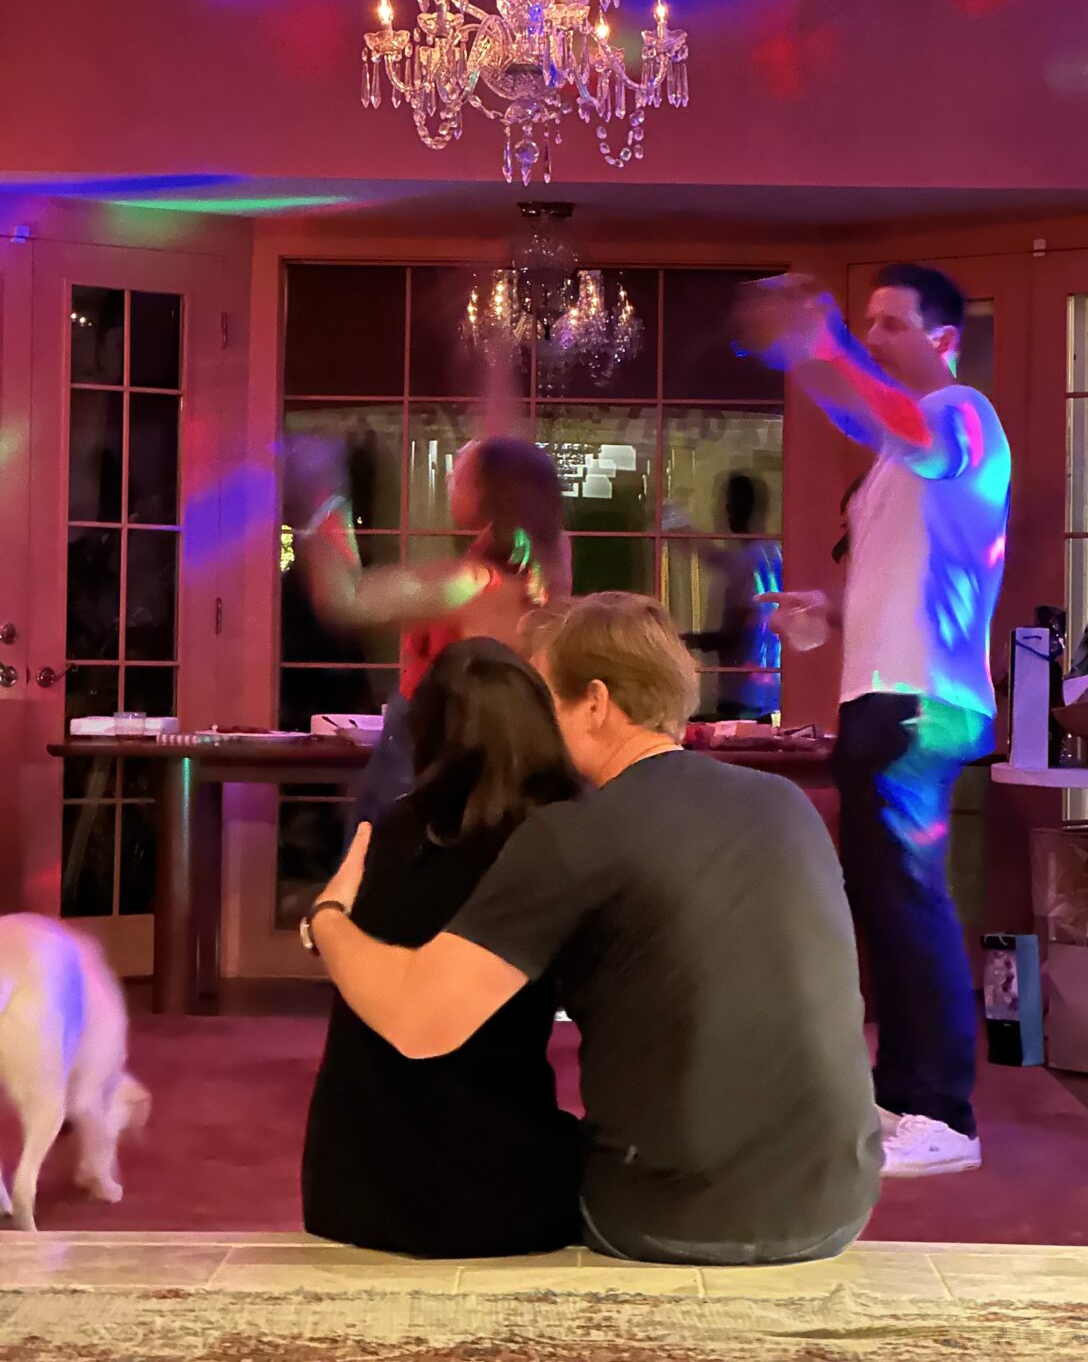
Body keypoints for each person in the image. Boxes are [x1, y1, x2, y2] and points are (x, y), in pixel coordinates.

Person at [306, 593, 881, 1266]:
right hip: (839, 1204)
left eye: (542, 694)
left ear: (597, 702)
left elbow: (417, 1019)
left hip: (669, 1217)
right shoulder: (787, 804)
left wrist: (330, 918)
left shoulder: (572, 835)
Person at [740, 263, 1010, 1179]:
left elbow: (885, 412)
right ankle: (903, 1099)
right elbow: (900, 586)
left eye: (892, 325)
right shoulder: (899, 461)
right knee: (885, 904)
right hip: (878, 698)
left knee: (909, 900)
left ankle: (943, 1112)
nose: (875, 338)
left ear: (944, 342)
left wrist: (820, 347)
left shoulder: (964, 414)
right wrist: (828, 607)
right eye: (866, 323)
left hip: (922, 704)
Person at [301, 638, 583, 1257]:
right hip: (488, 1195)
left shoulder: (398, 829)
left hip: (349, 1189)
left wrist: (323, 917)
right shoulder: (555, 842)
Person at [285, 432, 573, 832]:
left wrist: (323, 500)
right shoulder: (547, 566)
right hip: (505, 762)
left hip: (433, 761)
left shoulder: (476, 582)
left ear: (491, 491)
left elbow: (348, 599)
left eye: (461, 471)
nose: (451, 477)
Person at [668, 472, 782, 721]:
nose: (723, 513)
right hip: (765, 693)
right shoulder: (771, 553)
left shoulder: (749, 561)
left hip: (744, 697)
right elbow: (714, 558)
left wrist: (677, 641)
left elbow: (736, 634)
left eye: (728, 505)